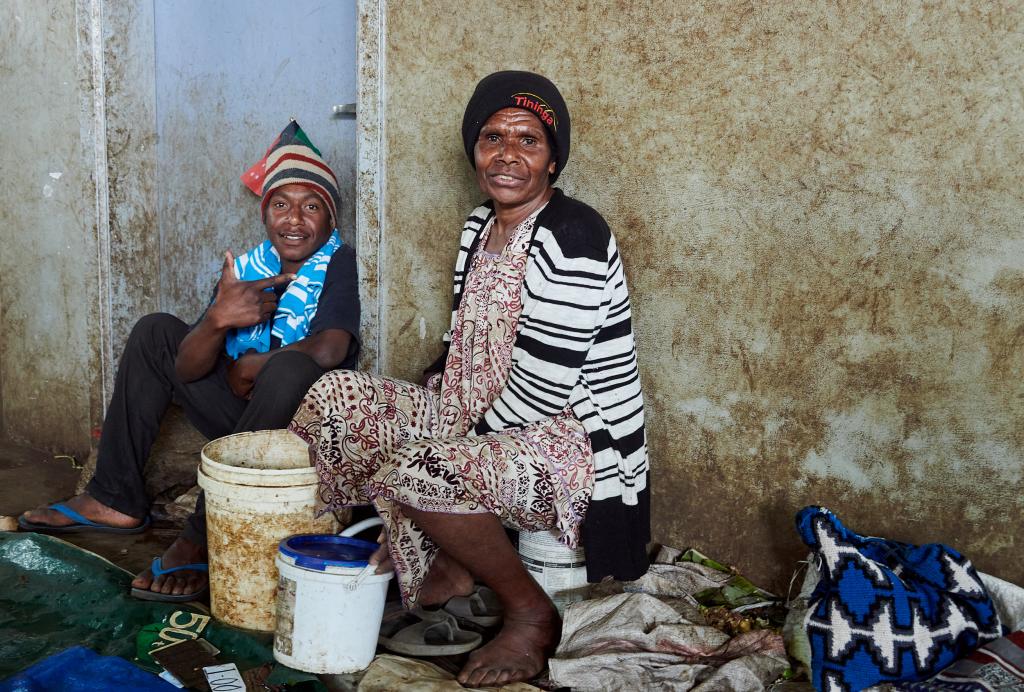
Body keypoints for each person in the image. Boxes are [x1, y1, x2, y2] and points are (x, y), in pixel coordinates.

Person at [288, 72, 648, 686]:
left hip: (569, 441)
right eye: (492, 137)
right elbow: (461, 341)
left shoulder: (575, 236)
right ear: (474, 150)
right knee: (336, 399)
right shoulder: (479, 225)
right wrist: (425, 407)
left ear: (553, 159)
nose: (507, 154)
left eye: (528, 141)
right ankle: (446, 573)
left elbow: (544, 388)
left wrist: (437, 442)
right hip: (475, 413)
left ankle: (531, 614)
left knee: (419, 467)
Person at [19, 121, 360, 602]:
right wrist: (218, 320)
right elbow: (185, 370)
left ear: (329, 218)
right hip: (240, 417)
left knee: (290, 367)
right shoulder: (247, 271)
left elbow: (331, 349)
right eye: (281, 205)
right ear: (265, 215)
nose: (293, 220)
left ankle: (200, 535)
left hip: (293, 430)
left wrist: (253, 364)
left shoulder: (338, 262)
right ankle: (114, 498)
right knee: (155, 329)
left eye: (311, 207)